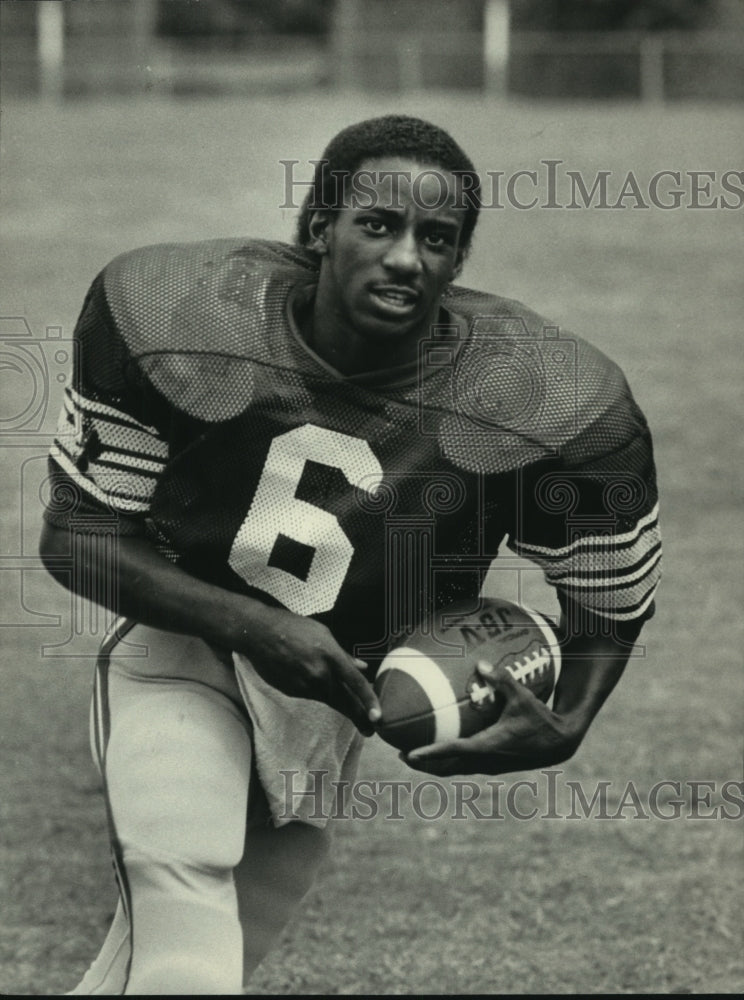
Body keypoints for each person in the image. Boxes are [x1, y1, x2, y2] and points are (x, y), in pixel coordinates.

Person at [39, 114, 661, 994]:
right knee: (185, 902)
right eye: (378, 224)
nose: (407, 256)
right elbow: (79, 538)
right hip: (185, 648)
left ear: (457, 262)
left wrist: (572, 722)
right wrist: (260, 628)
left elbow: (607, 595)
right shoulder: (177, 316)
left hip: (336, 701)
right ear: (319, 228)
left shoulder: (535, 394)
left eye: (436, 238)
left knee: (175, 962)